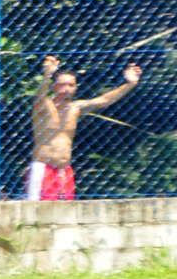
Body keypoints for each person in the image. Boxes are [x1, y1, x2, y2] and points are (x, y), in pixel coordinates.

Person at [26, 55, 142, 200]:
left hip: (64, 170)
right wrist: (47, 75)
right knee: (38, 213)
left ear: (75, 89)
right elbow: (40, 96)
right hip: (44, 168)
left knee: (65, 215)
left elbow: (104, 100)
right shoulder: (45, 106)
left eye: (71, 85)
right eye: (62, 85)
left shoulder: (75, 108)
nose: (66, 89)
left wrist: (130, 84)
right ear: (54, 87)